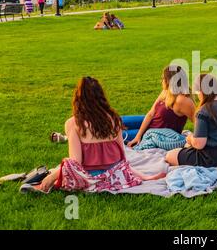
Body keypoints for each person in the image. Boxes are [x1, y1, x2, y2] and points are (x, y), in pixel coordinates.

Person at [35, 77, 165, 193]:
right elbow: (122, 160)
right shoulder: (114, 119)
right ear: (101, 97)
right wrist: (144, 176)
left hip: (89, 178)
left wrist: (52, 177)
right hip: (115, 176)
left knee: (65, 164)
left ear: (78, 98)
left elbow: (75, 164)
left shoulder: (73, 123)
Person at [165, 74, 217, 167]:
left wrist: (190, 138)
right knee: (186, 147)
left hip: (215, 158)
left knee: (170, 155)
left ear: (202, 92)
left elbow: (199, 145)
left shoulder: (204, 111)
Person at [126, 66, 195, 148]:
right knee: (117, 121)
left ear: (169, 81)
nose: (161, 81)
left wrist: (195, 140)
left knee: (114, 135)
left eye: (163, 78)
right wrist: (138, 136)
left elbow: (199, 121)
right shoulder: (166, 91)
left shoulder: (182, 100)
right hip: (148, 123)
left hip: (155, 133)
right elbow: (151, 113)